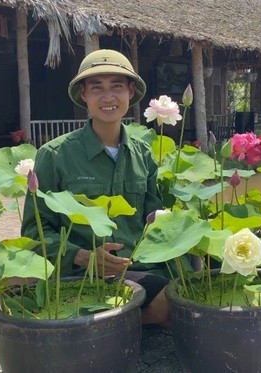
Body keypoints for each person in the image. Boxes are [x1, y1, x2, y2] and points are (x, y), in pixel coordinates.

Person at [21, 49, 170, 328]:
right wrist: (82, 257)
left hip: (137, 268)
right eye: (96, 87)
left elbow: (155, 221)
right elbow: (34, 231)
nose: (108, 97)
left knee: (181, 303)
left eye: (116, 86)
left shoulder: (144, 154)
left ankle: (107, 323)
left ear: (130, 92)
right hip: (79, 274)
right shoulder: (54, 155)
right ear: (83, 95)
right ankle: (107, 324)